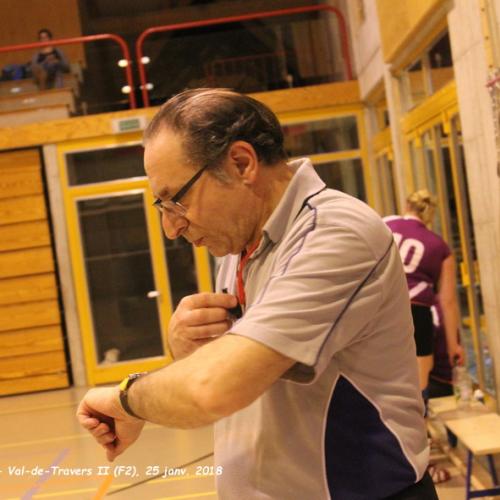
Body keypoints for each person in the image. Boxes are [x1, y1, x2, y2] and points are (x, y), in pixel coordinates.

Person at [77, 89, 437, 499]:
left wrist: (127, 398)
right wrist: (189, 353)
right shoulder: (239, 243)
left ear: (241, 164)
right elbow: (243, 373)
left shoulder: (336, 232)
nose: (171, 228)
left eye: (176, 200)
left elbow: (214, 389)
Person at [384, 190, 465, 484]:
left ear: (406, 205)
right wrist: (454, 344)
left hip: (382, 308)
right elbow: (448, 301)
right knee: (417, 394)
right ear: (430, 215)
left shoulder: (385, 223)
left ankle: (388, 457)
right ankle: (421, 465)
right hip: (418, 313)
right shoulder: (439, 245)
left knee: (381, 386)